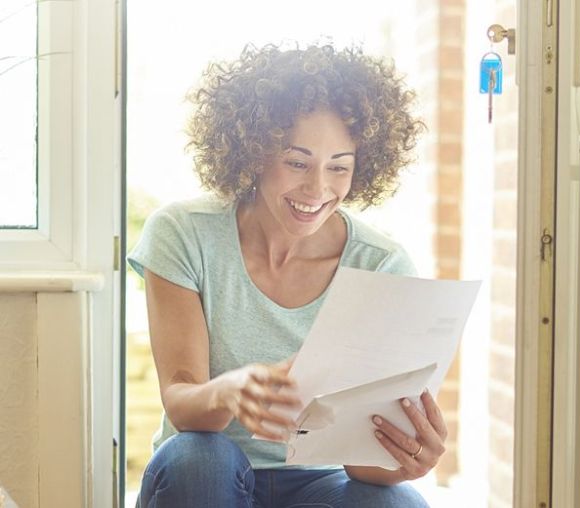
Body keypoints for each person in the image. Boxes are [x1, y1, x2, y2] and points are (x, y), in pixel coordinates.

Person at [129, 43, 442, 507]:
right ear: (253, 152)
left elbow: (362, 466)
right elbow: (181, 401)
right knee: (200, 459)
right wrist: (229, 392)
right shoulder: (184, 233)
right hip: (210, 474)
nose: (317, 189)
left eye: (339, 167)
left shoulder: (381, 266)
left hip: (320, 483)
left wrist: (409, 457)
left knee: (398, 501)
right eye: (297, 162)